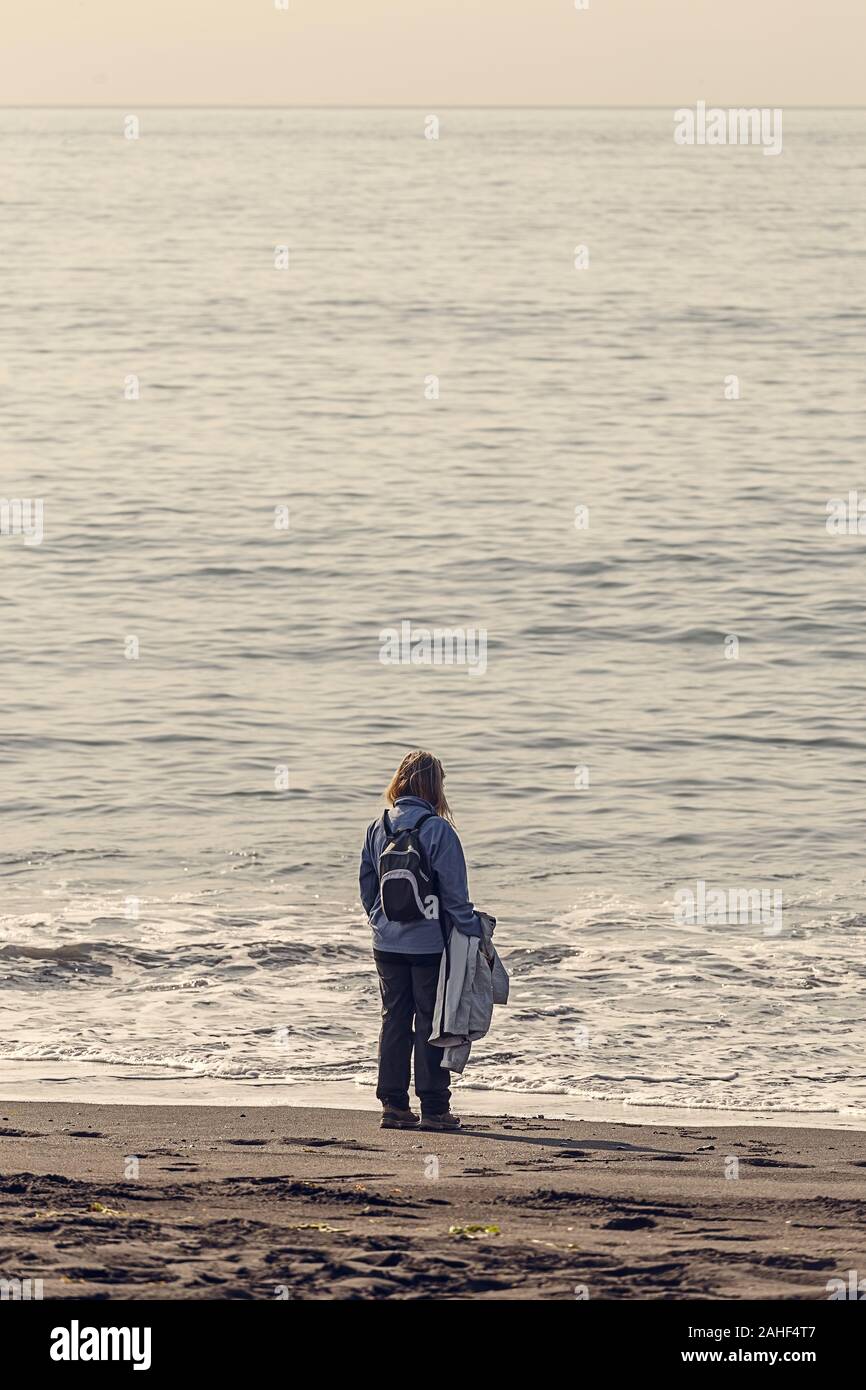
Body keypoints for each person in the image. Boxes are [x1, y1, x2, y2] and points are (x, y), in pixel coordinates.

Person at [359, 750, 481, 1130]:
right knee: (432, 1023)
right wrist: (472, 929)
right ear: (434, 786)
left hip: (386, 944)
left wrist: (380, 921)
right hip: (428, 945)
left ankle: (393, 1106)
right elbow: (455, 896)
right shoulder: (438, 830)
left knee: (394, 1020)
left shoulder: (378, 826)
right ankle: (434, 1110)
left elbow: (367, 887)